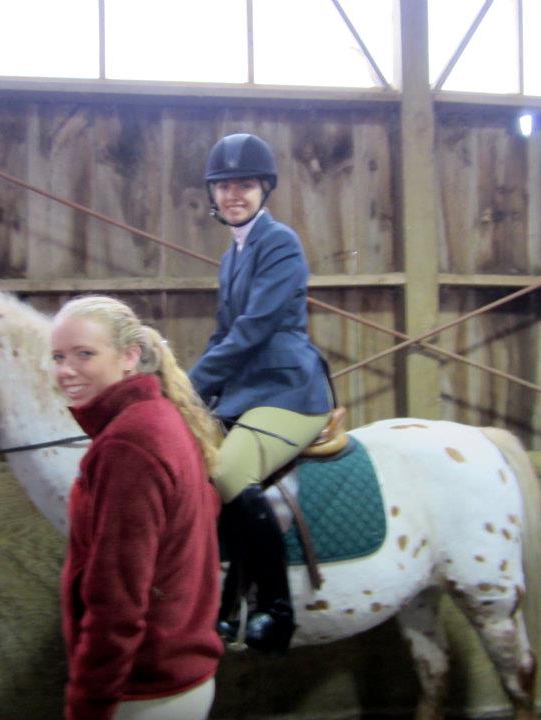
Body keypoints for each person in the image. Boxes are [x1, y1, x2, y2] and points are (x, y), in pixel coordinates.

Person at [188, 133, 334, 654]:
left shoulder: (280, 243)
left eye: (244, 185)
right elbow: (223, 334)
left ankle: (276, 607)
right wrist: (181, 385)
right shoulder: (232, 256)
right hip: (247, 391)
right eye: (224, 185)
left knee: (230, 472)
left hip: (289, 389)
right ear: (213, 194)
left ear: (263, 189)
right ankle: (226, 605)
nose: (234, 195)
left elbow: (252, 331)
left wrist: (192, 385)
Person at [50, 295, 224, 720]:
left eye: (84, 354)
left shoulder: (128, 443)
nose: (65, 370)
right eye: (57, 357)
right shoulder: (158, 415)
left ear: (129, 356)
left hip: (145, 692)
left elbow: (118, 598)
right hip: (176, 675)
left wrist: (87, 704)